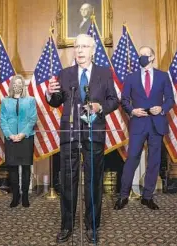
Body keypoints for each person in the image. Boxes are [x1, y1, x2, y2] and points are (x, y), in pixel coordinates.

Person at [47, 34, 118, 244]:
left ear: (93, 50)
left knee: (94, 181)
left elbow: (113, 100)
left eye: (84, 46)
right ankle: (67, 226)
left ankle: (92, 226)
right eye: (77, 46)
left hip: (94, 133)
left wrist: (100, 107)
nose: (79, 50)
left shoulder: (104, 73)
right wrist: (50, 94)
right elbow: (56, 101)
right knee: (68, 181)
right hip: (70, 134)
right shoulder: (65, 73)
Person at [114, 46, 174, 211]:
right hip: (138, 123)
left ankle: (147, 197)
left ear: (153, 57)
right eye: (140, 55)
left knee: (154, 161)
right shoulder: (131, 77)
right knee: (131, 158)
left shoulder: (163, 76)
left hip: (156, 123)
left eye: (146, 55)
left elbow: (170, 99)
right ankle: (123, 196)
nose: (143, 58)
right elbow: (124, 99)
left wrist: (161, 108)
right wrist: (132, 110)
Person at [0, 75, 37, 208]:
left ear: (23, 86)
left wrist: (22, 134)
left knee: (26, 167)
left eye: (20, 83)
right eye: (15, 83)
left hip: (26, 137)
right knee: (13, 168)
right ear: (11, 86)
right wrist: (10, 135)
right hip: (11, 139)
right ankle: (16, 196)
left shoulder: (31, 100)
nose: (17, 86)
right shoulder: (5, 101)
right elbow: (2, 120)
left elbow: (33, 119)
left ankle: (25, 196)